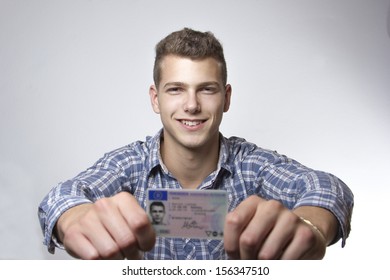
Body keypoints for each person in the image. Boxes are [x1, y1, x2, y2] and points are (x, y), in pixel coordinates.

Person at [38, 28, 354, 260]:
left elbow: (326, 186)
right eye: (176, 89)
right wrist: (74, 217)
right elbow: (62, 194)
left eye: (206, 89)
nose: (191, 105)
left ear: (226, 98)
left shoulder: (250, 164)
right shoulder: (129, 164)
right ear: (155, 98)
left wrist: (311, 224)